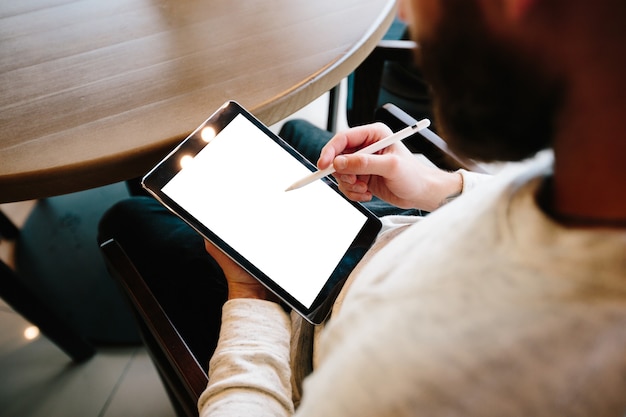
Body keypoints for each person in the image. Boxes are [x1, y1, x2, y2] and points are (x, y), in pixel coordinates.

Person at [98, 0, 626, 415]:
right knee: (302, 138)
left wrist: (249, 297)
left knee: (128, 221)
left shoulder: (403, 382)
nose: (404, 13)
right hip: (396, 239)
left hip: (312, 331)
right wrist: (438, 188)